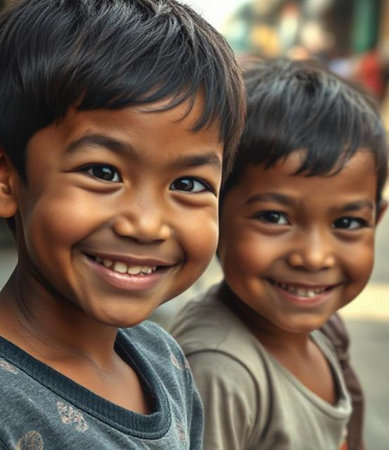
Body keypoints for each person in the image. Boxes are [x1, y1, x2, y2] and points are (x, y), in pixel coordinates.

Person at [0, 0, 245, 448]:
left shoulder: (163, 357)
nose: (147, 225)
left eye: (188, 183)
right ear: (7, 179)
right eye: (103, 172)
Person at [171, 58, 388, 450]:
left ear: (378, 217)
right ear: (214, 211)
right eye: (274, 217)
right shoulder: (221, 370)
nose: (315, 257)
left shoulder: (325, 330)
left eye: (348, 223)